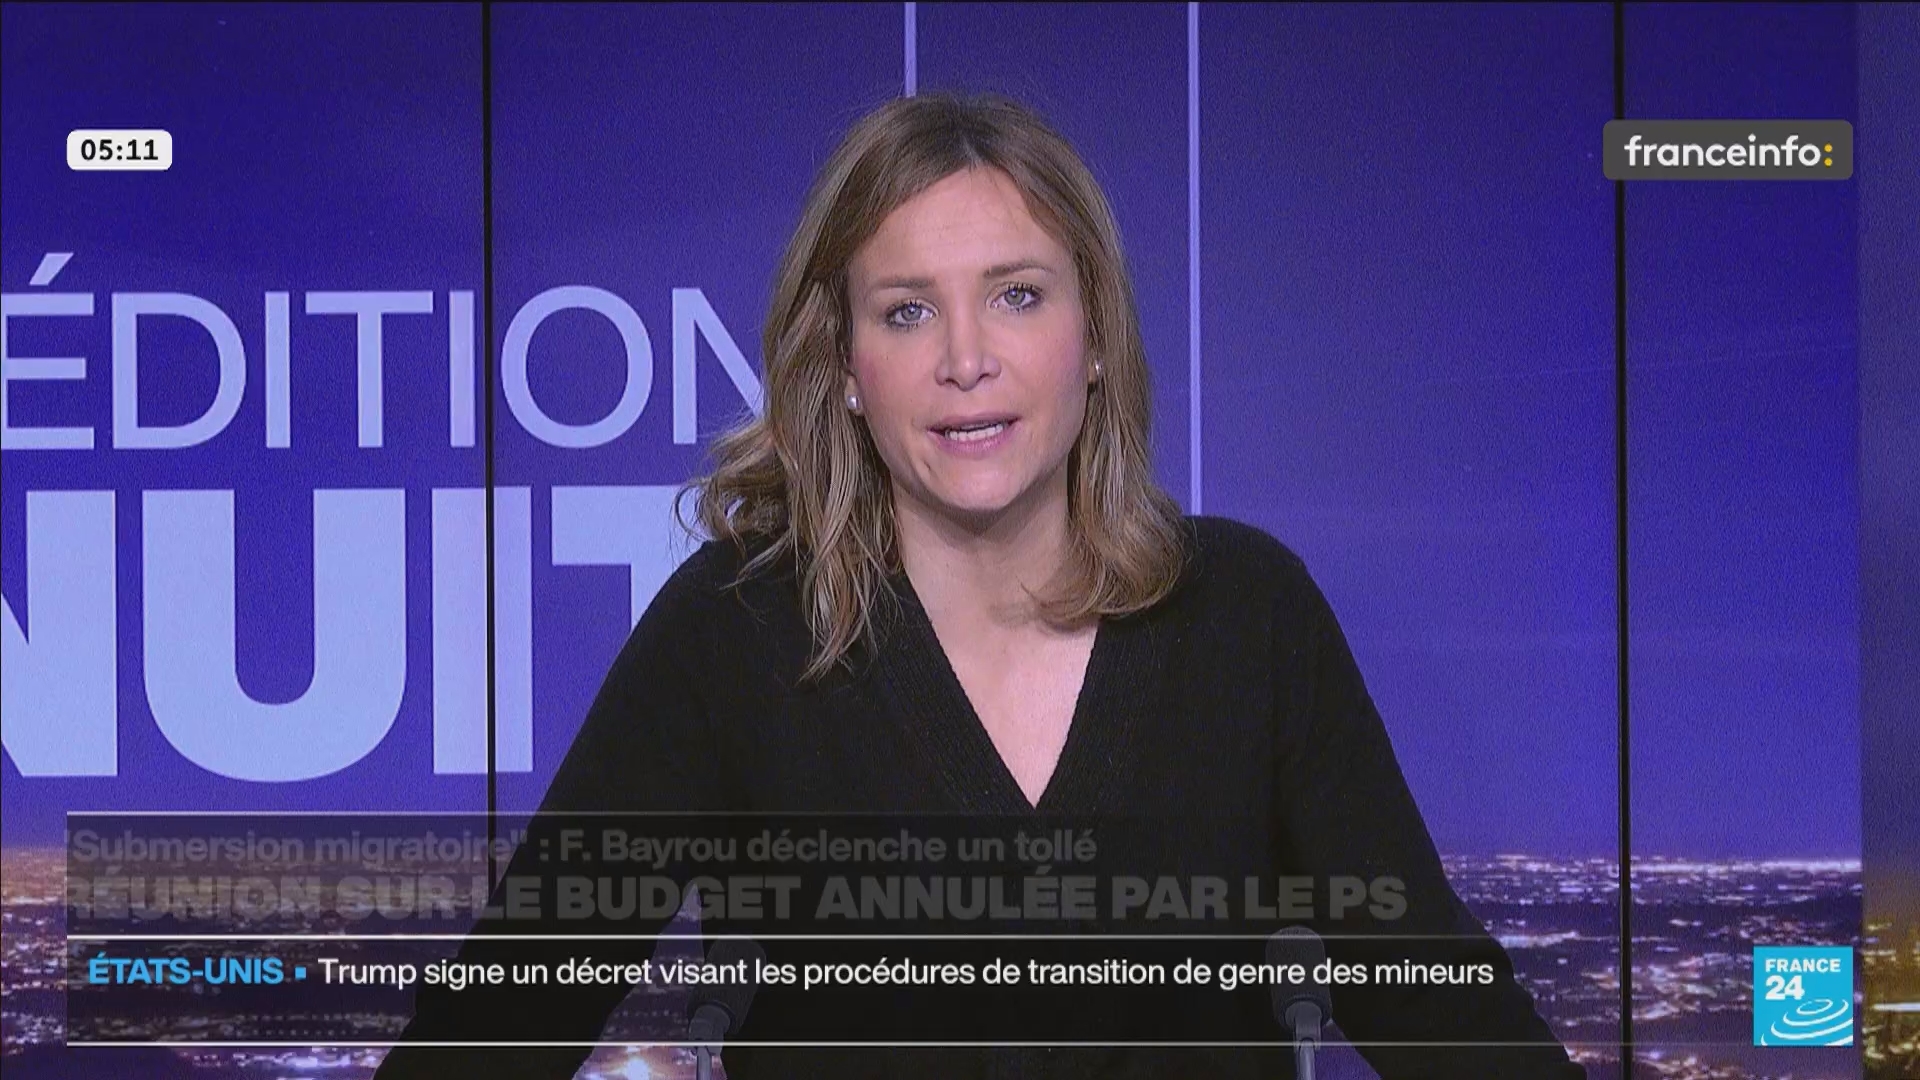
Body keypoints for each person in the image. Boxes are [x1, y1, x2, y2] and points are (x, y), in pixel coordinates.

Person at [374, 91, 1585, 1079]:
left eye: (1017, 295)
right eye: (907, 312)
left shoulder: (1247, 614)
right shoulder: (735, 629)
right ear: (846, 366)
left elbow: (1436, 1005)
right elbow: (506, 1015)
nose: (966, 359)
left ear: (1094, 336)